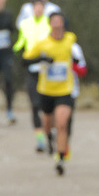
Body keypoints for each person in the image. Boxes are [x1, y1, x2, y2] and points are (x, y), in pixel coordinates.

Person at [23, 11, 86, 175]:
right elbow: (25, 59)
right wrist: (41, 60)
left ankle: (60, 158)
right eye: (54, 22)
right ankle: (49, 138)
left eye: (60, 22)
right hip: (46, 90)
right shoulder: (42, 43)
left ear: (63, 24)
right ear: (50, 25)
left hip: (65, 90)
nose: (57, 25)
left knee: (62, 123)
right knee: (47, 123)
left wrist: (76, 61)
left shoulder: (70, 39)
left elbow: (77, 59)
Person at [12, 0, 52, 151]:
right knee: (35, 105)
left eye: (41, 6)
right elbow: (21, 42)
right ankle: (40, 139)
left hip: (46, 70)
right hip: (31, 68)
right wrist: (15, 50)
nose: (38, 9)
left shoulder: (49, 23)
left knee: (48, 105)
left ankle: (50, 132)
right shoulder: (25, 24)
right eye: (36, 6)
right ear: (32, 8)